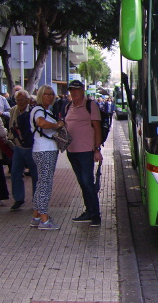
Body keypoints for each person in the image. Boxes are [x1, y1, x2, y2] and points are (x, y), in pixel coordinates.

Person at [65, 80, 103, 227]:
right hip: (72, 151)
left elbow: (97, 127)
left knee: (88, 183)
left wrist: (97, 149)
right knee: (82, 183)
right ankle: (89, 211)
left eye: (76, 90)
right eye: (71, 90)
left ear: (82, 90)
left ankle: (95, 215)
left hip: (86, 151)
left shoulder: (90, 105)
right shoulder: (69, 106)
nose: (73, 93)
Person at [30, 85, 65, 230]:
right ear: (40, 96)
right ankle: (44, 220)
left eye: (52, 94)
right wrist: (57, 125)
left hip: (45, 150)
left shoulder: (45, 110)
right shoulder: (38, 110)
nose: (50, 97)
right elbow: (41, 123)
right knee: (45, 184)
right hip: (45, 150)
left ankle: (36, 216)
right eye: (46, 94)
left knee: (41, 184)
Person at [8, 89, 38, 211]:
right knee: (15, 173)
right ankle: (18, 199)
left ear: (27, 100)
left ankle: (37, 200)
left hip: (31, 147)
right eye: (18, 100)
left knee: (35, 175)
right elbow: (11, 125)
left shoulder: (32, 110)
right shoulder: (13, 110)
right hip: (18, 147)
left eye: (22, 100)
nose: (20, 102)